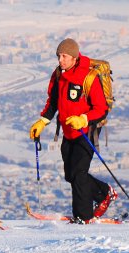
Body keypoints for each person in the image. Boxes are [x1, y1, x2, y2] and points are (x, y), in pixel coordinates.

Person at [29, 38, 118, 224]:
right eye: (59, 56)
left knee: (78, 173)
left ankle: (83, 217)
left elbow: (101, 109)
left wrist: (83, 119)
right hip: (68, 131)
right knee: (70, 174)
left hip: (87, 131)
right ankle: (104, 193)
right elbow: (53, 101)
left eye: (64, 56)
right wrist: (42, 121)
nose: (60, 60)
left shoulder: (89, 77)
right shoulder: (58, 74)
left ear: (75, 57)